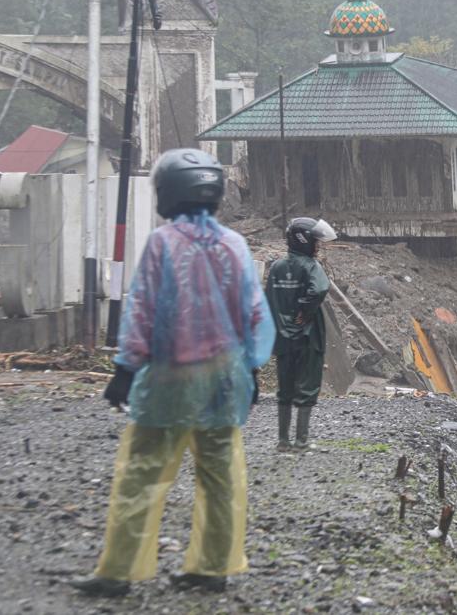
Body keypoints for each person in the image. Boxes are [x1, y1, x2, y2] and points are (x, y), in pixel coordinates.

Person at [71, 149, 276, 597]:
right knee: (221, 475)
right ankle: (213, 567)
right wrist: (253, 371)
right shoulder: (234, 245)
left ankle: (118, 572)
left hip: (168, 378)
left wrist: (125, 368)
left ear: (167, 192)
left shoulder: (163, 243)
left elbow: (142, 309)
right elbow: (254, 313)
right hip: (224, 378)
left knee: (142, 472)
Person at [266, 217, 336, 451]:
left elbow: (269, 301)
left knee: (284, 388)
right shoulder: (311, 266)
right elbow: (320, 289)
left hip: (283, 337)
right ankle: (301, 441)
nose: (317, 246)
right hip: (307, 337)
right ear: (304, 240)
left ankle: (283, 441)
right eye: (315, 241)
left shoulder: (276, 267)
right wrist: (305, 311)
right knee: (306, 387)